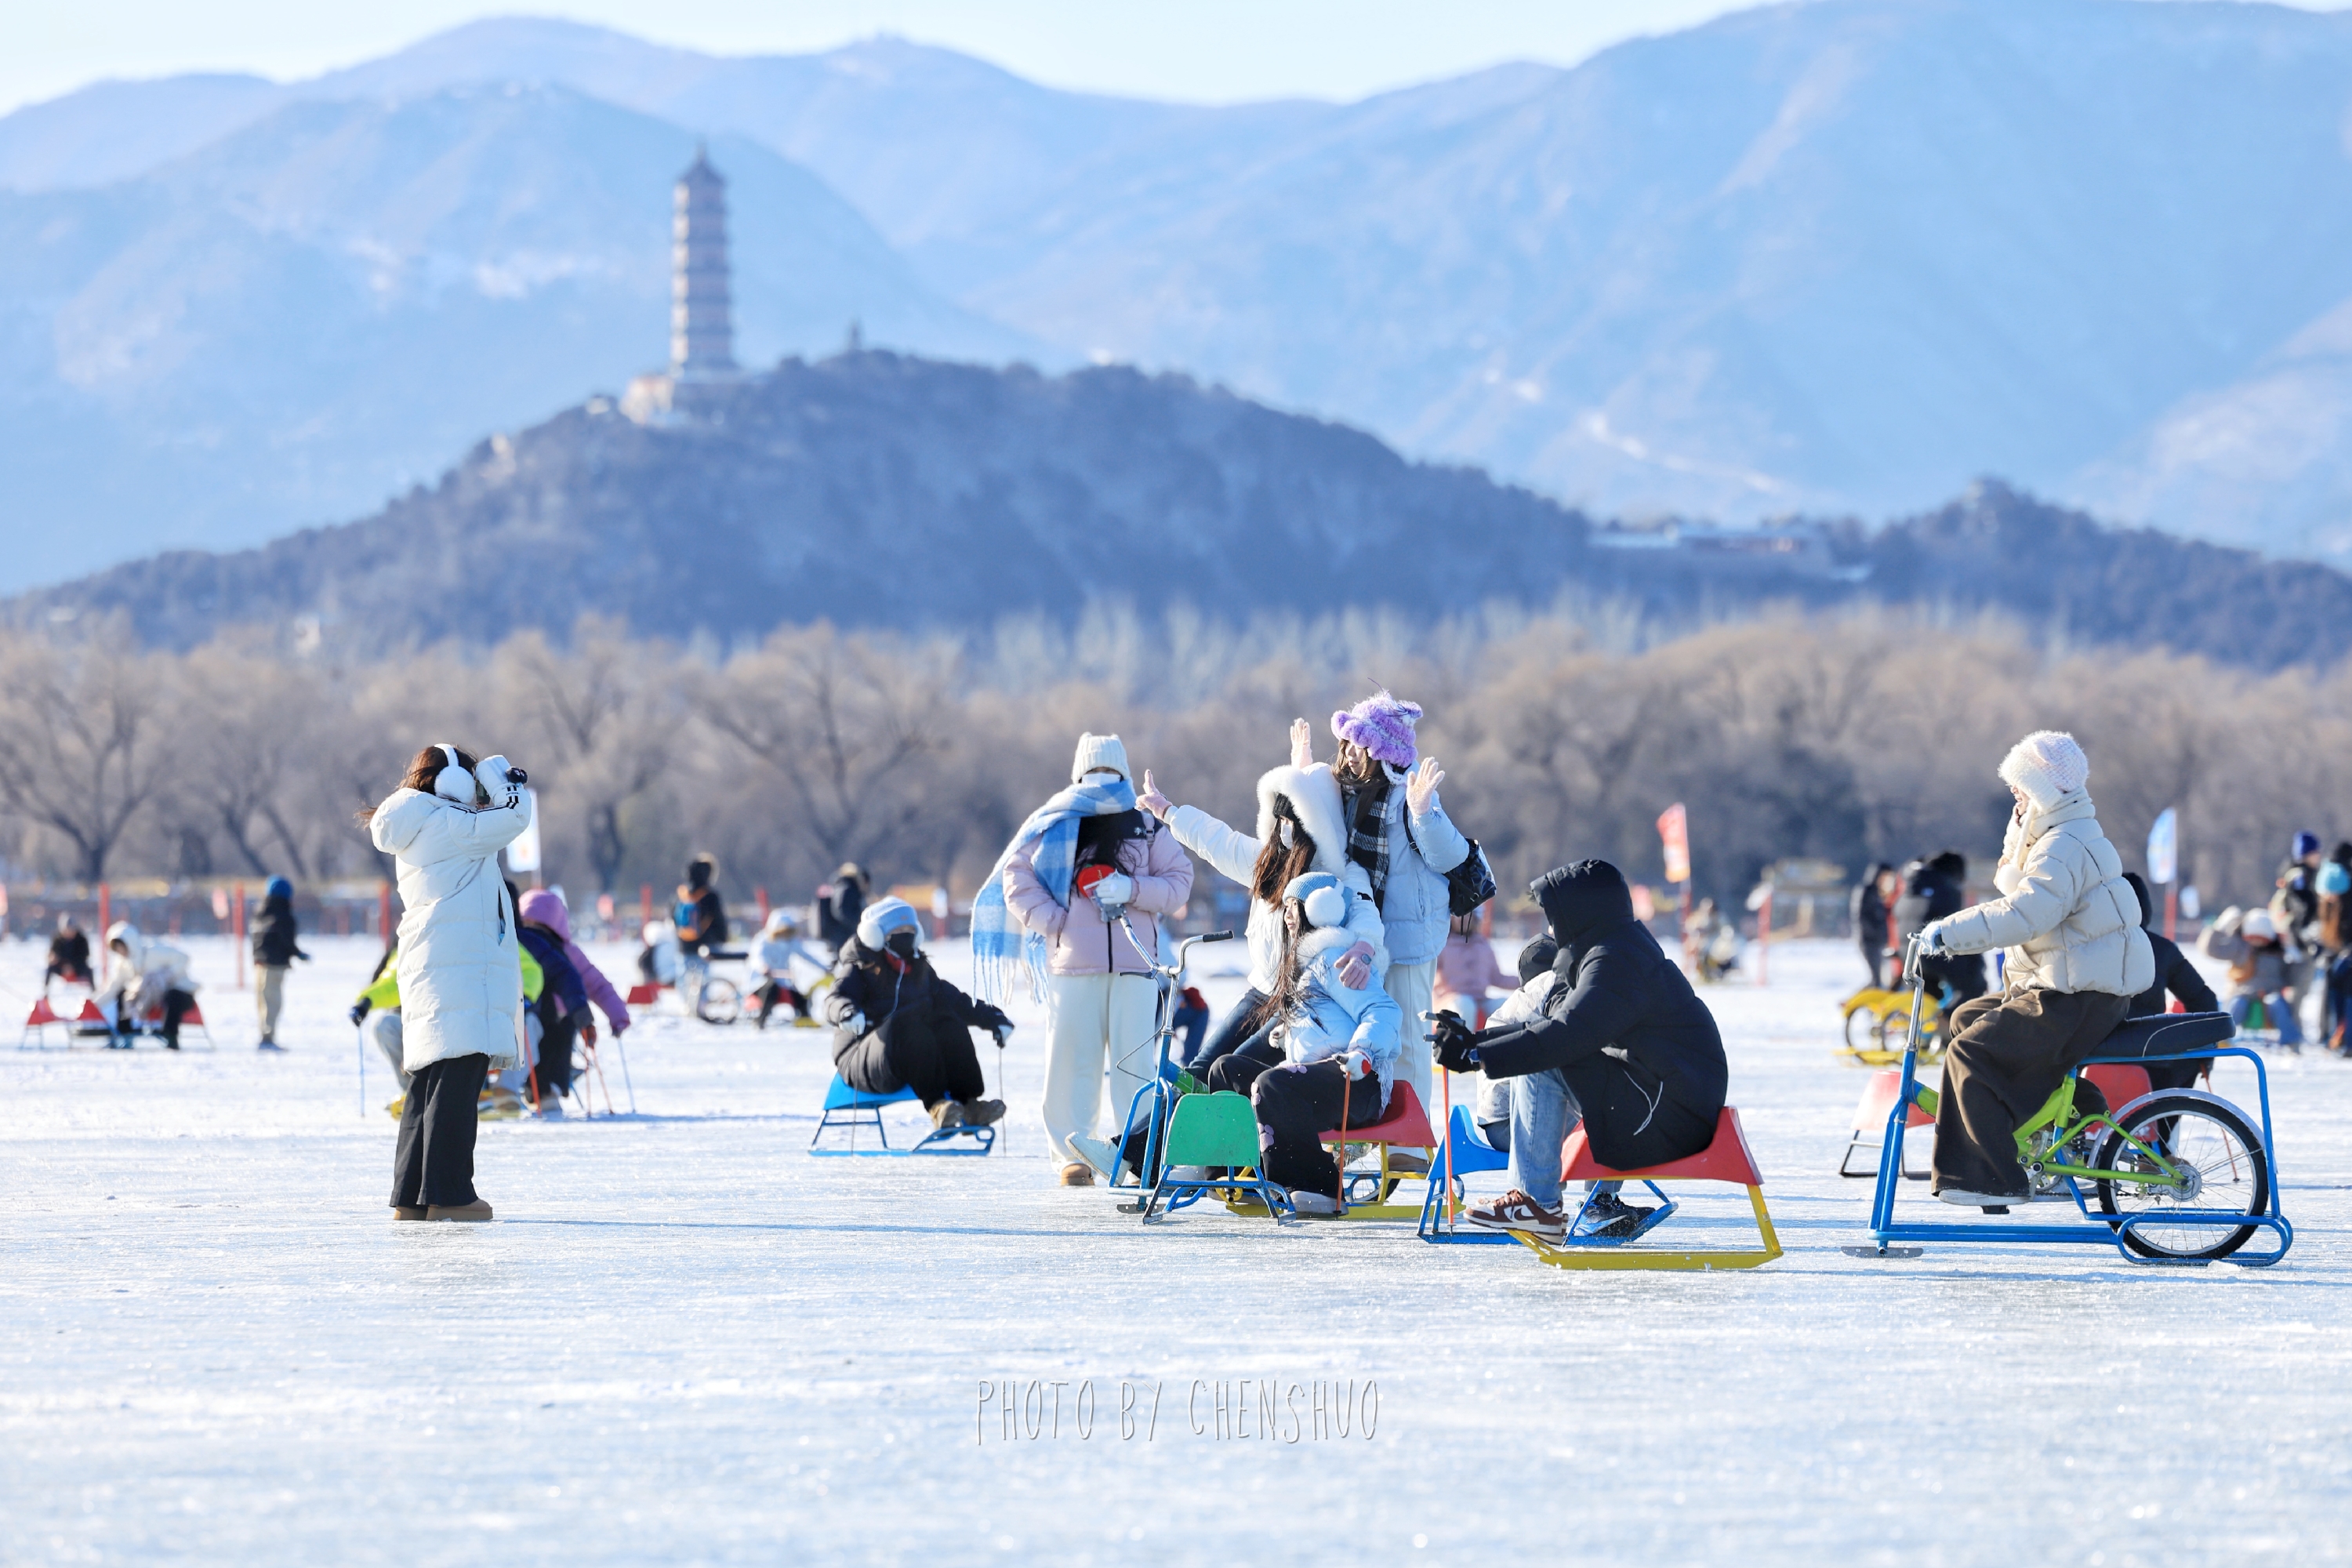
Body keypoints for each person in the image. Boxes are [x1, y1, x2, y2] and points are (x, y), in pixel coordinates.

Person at [1912, 731, 2154, 1209]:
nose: (2013, 794)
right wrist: (2019, 835)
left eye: (2021, 785)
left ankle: (1989, 1176)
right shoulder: (2058, 837)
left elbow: (2027, 914)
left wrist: (1948, 933)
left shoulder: (2063, 844)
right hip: (2069, 986)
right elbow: (2028, 891)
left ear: (2044, 789)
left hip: (2079, 996)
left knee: (1971, 1052)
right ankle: (2059, 1130)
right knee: (1965, 1019)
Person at [1439, 860, 1728, 1242]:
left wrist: (1477, 1053)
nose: (1552, 928)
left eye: (1555, 916)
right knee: (1551, 1054)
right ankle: (1557, 1202)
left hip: (1669, 1113)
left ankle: (1537, 1203)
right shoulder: (1616, 950)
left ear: (1581, 912)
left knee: (1547, 1059)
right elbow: (1557, 1029)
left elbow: (1567, 1033)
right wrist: (1475, 1045)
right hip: (1667, 1100)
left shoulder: (1615, 961)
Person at [979, 732, 1195, 1187]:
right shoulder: (1056, 822)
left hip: (1136, 963)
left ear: (1124, 773)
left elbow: (1179, 881)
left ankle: (1137, 1154)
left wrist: (1133, 889)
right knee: (1071, 1062)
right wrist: (1054, 921)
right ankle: (1071, 1155)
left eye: (1110, 771)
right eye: (1096, 771)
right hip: (1073, 964)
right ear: (1079, 774)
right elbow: (1015, 876)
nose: (1103, 779)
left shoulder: (1145, 825)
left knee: (1135, 1066)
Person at [365, 742, 532, 1222]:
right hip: (464, 970)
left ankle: (412, 1199)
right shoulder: (452, 824)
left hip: (434, 967)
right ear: (455, 782)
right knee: (458, 1082)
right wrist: (500, 776)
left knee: (428, 1083)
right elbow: (514, 816)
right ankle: (450, 1195)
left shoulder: (417, 825)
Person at [1138, 754, 1385, 1076]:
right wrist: (1170, 813)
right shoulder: (1268, 864)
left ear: (1314, 825)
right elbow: (1220, 842)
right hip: (1262, 990)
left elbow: (1365, 911)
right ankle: (1162, 1114)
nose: (1283, 829)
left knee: (1227, 1074)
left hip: (1301, 1000)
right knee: (1199, 1070)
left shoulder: (1344, 875)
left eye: (1290, 821)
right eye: (1278, 820)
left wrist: (1365, 946)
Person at [1185, 872, 1405, 1217]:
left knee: (1272, 1083)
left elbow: (1384, 1010)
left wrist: (1362, 1052)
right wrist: (1288, 1034)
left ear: (1318, 910)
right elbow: (1325, 1025)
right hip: (1317, 1080)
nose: (1287, 915)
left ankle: (1316, 1185)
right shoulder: (1307, 967)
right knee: (1225, 1069)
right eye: (1285, 907)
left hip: (1358, 1083)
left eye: (1294, 906)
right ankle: (1234, 1171)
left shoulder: (1336, 959)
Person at [1295, 693, 1475, 1115]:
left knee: (1408, 1041)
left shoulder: (1407, 788)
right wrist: (1302, 774)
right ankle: (1375, 1130)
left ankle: (1409, 1139)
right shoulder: (1349, 788)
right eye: (1348, 743)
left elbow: (1450, 855)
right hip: (1363, 930)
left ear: (1382, 751)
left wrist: (1425, 812)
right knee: (1365, 1033)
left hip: (1408, 935)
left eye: (1361, 746)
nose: (1350, 754)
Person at [827, 897, 1008, 1131]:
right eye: (898, 931)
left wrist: (992, 1018)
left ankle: (969, 1105)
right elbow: (834, 999)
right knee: (904, 1024)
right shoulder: (858, 969)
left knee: (948, 1021)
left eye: (910, 930)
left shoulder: (919, 970)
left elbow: (955, 1001)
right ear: (875, 935)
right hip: (860, 1057)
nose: (906, 936)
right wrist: (846, 1012)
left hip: (903, 1056)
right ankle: (937, 1106)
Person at [2119, 872, 2219, 1092]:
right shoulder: (2163, 950)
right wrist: (2205, 1053)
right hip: (2152, 1061)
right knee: (2191, 1058)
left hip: (2089, 1058)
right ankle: (2166, 1112)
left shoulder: (2084, 947)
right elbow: (2204, 1000)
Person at [516, 887, 595, 1117]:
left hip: (541, 1011)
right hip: (555, 1013)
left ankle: (535, 1088)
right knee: (549, 1040)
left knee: (539, 1038)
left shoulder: (516, 939)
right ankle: (544, 1088)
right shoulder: (563, 950)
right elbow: (594, 983)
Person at [1894, 851, 1987, 1022]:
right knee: (1974, 984)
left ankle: (1927, 1027)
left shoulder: (1910, 887)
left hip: (1909, 954)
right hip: (1934, 954)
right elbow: (1955, 926)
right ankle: (1948, 1021)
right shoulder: (1945, 888)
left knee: (1931, 992)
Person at [2198, 906, 2301, 1051]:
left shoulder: (2278, 952)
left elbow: (2291, 977)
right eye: (2253, 939)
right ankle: (2222, 1038)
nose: (2257, 943)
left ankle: (2292, 1042)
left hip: (2271, 993)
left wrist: (2294, 956)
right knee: (2236, 1005)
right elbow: (2212, 950)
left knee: (2279, 1004)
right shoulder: (2241, 948)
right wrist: (2217, 928)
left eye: (2261, 939)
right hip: (2243, 993)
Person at [96, 922, 199, 1051]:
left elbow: (184, 958)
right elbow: (113, 987)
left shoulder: (153, 952)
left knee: (172, 996)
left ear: (130, 943)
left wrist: (168, 975)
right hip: (151, 998)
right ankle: (125, 1036)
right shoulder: (124, 965)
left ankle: (171, 1037)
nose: (120, 951)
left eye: (121, 946)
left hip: (181, 992)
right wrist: (94, 1004)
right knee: (124, 995)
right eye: (116, 948)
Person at [249, 876, 310, 1052]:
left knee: (263, 1002)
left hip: (259, 964)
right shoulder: (284, 916)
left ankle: (264, 1035)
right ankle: (267, 1039)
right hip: (275, 966)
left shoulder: (259, 912)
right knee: (273, 1002)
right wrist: (298, 954)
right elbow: (287, 941)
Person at [746, 908, 825, 1028]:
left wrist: (824, 968)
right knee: (771, 989)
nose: (785, 934)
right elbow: (756, 958)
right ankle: (760, 1020)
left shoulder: (791, 941)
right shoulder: (762, 940)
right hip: (760, 984)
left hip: (782, 983)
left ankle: (805, 1020)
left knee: (801, 998)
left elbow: (807, 956)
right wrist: (763, 967)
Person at [1433, 913, 1512, 1026]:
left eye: (1467, 915)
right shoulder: (1442, 944)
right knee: (1465, 1005)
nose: (1462, 919)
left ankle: (1501, 1038)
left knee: (1505, 1006)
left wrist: (1529, 977)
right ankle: (1462, 1038)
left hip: (1480, 999)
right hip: (1449, 1000)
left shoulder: (1483, 945)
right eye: (1458, 916)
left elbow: (1497, 978)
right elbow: (1428, 976)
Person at [673, 855, 728, 1007]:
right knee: (703, 977)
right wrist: (722, 938)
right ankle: (700, 1005)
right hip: (705, 944)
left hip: (684, 945)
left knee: (684, 977)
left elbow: (673, 918)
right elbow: (719, 920)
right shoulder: (711, 896)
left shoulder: (681, 894)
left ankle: (687, 1005)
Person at [1851, 863, 1898, 985]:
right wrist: (1877, 934)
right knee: (1876, 978)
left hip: (1879, 941)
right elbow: (1861, 917)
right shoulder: (1866, 891)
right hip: (1869, 940)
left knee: (1882, 978)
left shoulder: (1880, 894)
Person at [818, 863, 869, 956]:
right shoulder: (848, 889)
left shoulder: (841, 887)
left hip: (837, 935)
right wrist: (858, 923)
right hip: (843, 935)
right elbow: (842, 912)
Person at [44, 914, 92, 992]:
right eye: (67, 930)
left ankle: (93, 993)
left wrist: (73, 966)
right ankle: (45, 992)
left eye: (71, 930)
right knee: (50, 968)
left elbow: (85, 955)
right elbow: (53, 953)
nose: (69, 932)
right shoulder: (58, 939)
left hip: (77, 967)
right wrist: (54, 959)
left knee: (89, 971)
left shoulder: (81, 940)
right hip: (62, 967)